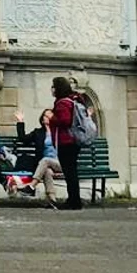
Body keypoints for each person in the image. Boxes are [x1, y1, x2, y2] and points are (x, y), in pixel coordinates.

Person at [10, 108, 64, 208]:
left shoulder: (59, 132)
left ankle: (31, 186)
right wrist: (20, 122)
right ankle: (52, 200)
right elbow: (23, 139)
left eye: (50, 116)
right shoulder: (38, 133)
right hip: (45, 166)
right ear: (42, 120)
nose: (48, 118)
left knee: (45, 160)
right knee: (47, 170)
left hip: (61, 163)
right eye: (46, 116)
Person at [49, 77, 85, 210]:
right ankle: (74, 199)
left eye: (53, 86)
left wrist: (52, 118)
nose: (52, 89)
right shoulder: (72, 100)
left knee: (69, 172)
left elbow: (65, 121)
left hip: (66, 141)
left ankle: (73, 201)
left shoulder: (62, 103)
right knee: (71, 171)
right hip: (72, 141)